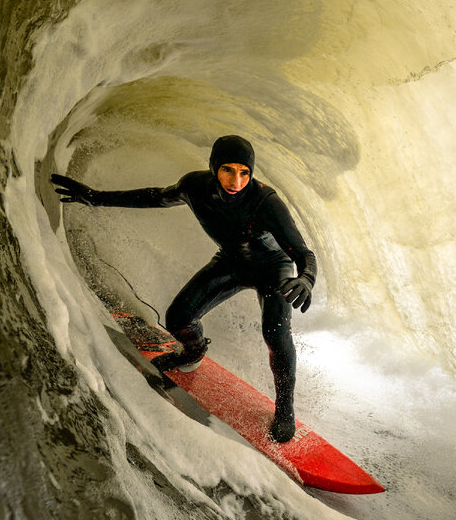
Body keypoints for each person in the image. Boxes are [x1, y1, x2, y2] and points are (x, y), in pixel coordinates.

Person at [51, 135, 316, 443]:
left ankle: (285, 408)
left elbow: (302, 253)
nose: (236, 180)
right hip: (230, 263)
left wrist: (305, 279)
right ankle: (193, 350)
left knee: (275, 332)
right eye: (228, 170)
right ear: (214, 167)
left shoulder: (266, 202)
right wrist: (96, 197)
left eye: (244, 172)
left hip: (273, 270)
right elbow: (155, 197)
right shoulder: (195, 188)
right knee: (178, 317)